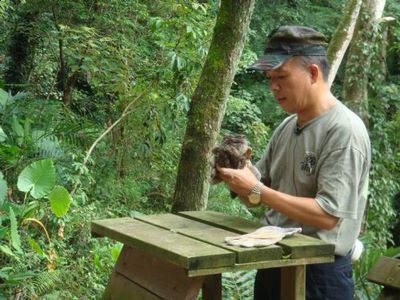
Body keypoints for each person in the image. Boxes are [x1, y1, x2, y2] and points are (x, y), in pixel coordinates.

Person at [216, 25, 371, 299]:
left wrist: (256, 190)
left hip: (319, 275)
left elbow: (327, 215)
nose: (273, 86)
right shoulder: (287, 126)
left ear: (313, 73)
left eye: (282, 77)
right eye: (269, 78)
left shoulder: (344, 131)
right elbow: (258, 196)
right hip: (274, 263)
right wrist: (237, 175)